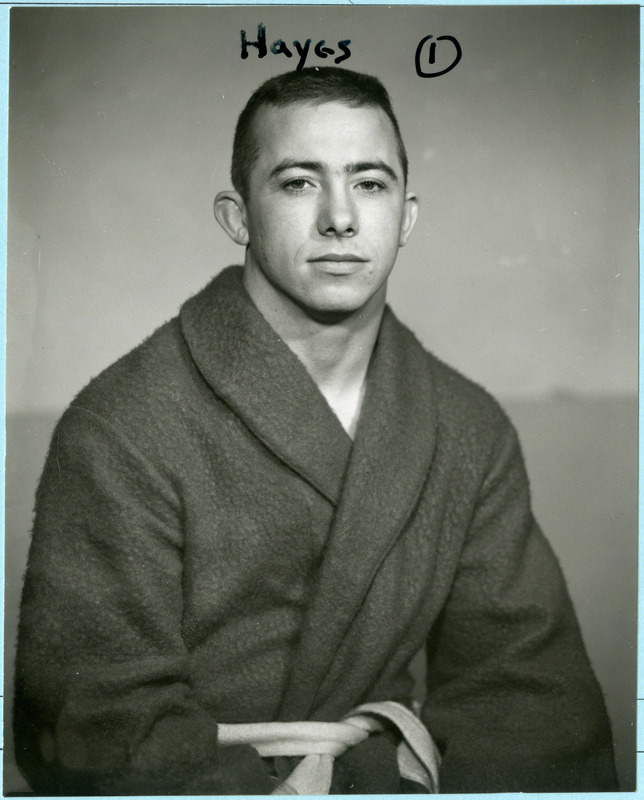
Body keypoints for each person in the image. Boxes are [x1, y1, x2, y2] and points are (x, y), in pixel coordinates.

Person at [14, 66, 617, 795]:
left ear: (407, 215)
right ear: (238, 217)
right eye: (299, 182)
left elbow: (528, 694)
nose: (341, 217)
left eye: (370, 183)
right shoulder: (120, 426)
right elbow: (100, 726)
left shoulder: (465, 425)